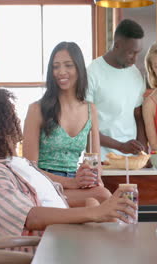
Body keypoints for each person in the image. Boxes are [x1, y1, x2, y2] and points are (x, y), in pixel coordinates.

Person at [0, 88, 137, 239]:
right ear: (0, 125)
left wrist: (91, 193)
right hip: (44, 247)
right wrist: (96, 213)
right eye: (12, 115)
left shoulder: (19, 164)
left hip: (63, 236)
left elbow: (50, 199)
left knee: (101, 201)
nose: (17, 120)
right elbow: (30, 217)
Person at [23, 42, 111, 203]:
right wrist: (72, 182)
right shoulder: (37, 109)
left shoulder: (91, 110)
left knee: (96, 201)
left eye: (68, 65)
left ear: (79, 68)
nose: (61, 72)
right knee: (102, 197)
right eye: (56, 67)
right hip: (44, 185)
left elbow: (96, 161)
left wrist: (92, 176)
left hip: (76, 185)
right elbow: (29, 169)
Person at [86, 19, 147, 161]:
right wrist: (120, 146)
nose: (135, 59)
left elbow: (138, 115)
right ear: (117, 45)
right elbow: (85, 126)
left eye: (138, 53)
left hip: (131, 161)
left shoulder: (135, 74)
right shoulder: (92, 73)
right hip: (101, 159)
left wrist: (142, 152)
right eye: (131, 53)